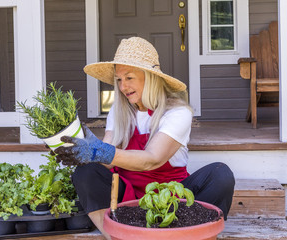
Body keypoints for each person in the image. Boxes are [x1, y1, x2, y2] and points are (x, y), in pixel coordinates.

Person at [55, 37, 235, 239]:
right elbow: (105, 159)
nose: (123, 87)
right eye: (119, 80)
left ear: (150, 77)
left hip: (173, 201)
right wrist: (84, 153)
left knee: (221, 174)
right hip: (128, 200)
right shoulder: (119, 111)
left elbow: (153, 159)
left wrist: (100, 151)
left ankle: (190, 234)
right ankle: (115, 235)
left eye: (129, 77)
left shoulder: (177, 112)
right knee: (85, 172)